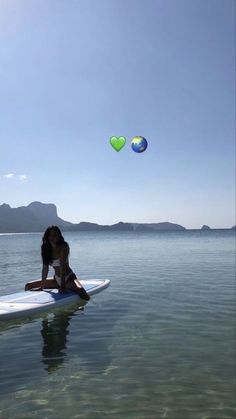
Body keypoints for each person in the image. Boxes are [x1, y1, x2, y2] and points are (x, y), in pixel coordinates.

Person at [25, 226, 90, 301]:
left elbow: (62, 266)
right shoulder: (45, 248)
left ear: (59, 236)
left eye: (55, 235)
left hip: (68, 278)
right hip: (56, 280)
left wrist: (62, 286)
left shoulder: (63, 247)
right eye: (51, 235)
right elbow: (45, 268)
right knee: (28, 286)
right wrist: (41, 287)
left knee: (81, 291)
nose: (53, 237)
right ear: (47, 236)